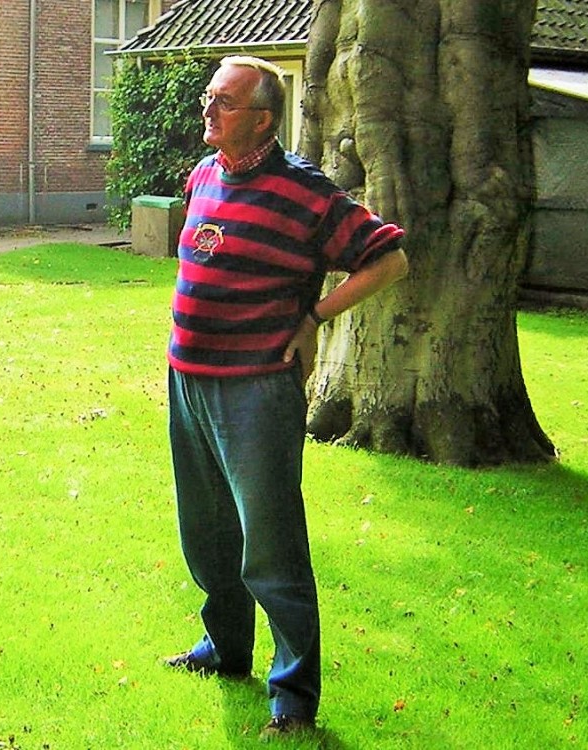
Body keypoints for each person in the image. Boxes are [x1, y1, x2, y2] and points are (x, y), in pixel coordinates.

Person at [163, 56, 409, 740]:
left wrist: (317, 316)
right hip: (188, 380)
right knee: (207, 533)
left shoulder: (306, 191)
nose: (208, 110)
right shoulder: (205, 174)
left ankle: (293, 694)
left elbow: (389, 258)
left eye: (224, 102)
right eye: (209, 98)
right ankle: (227, 648)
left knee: (270, 544)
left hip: (255, 390)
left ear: (263, 118)